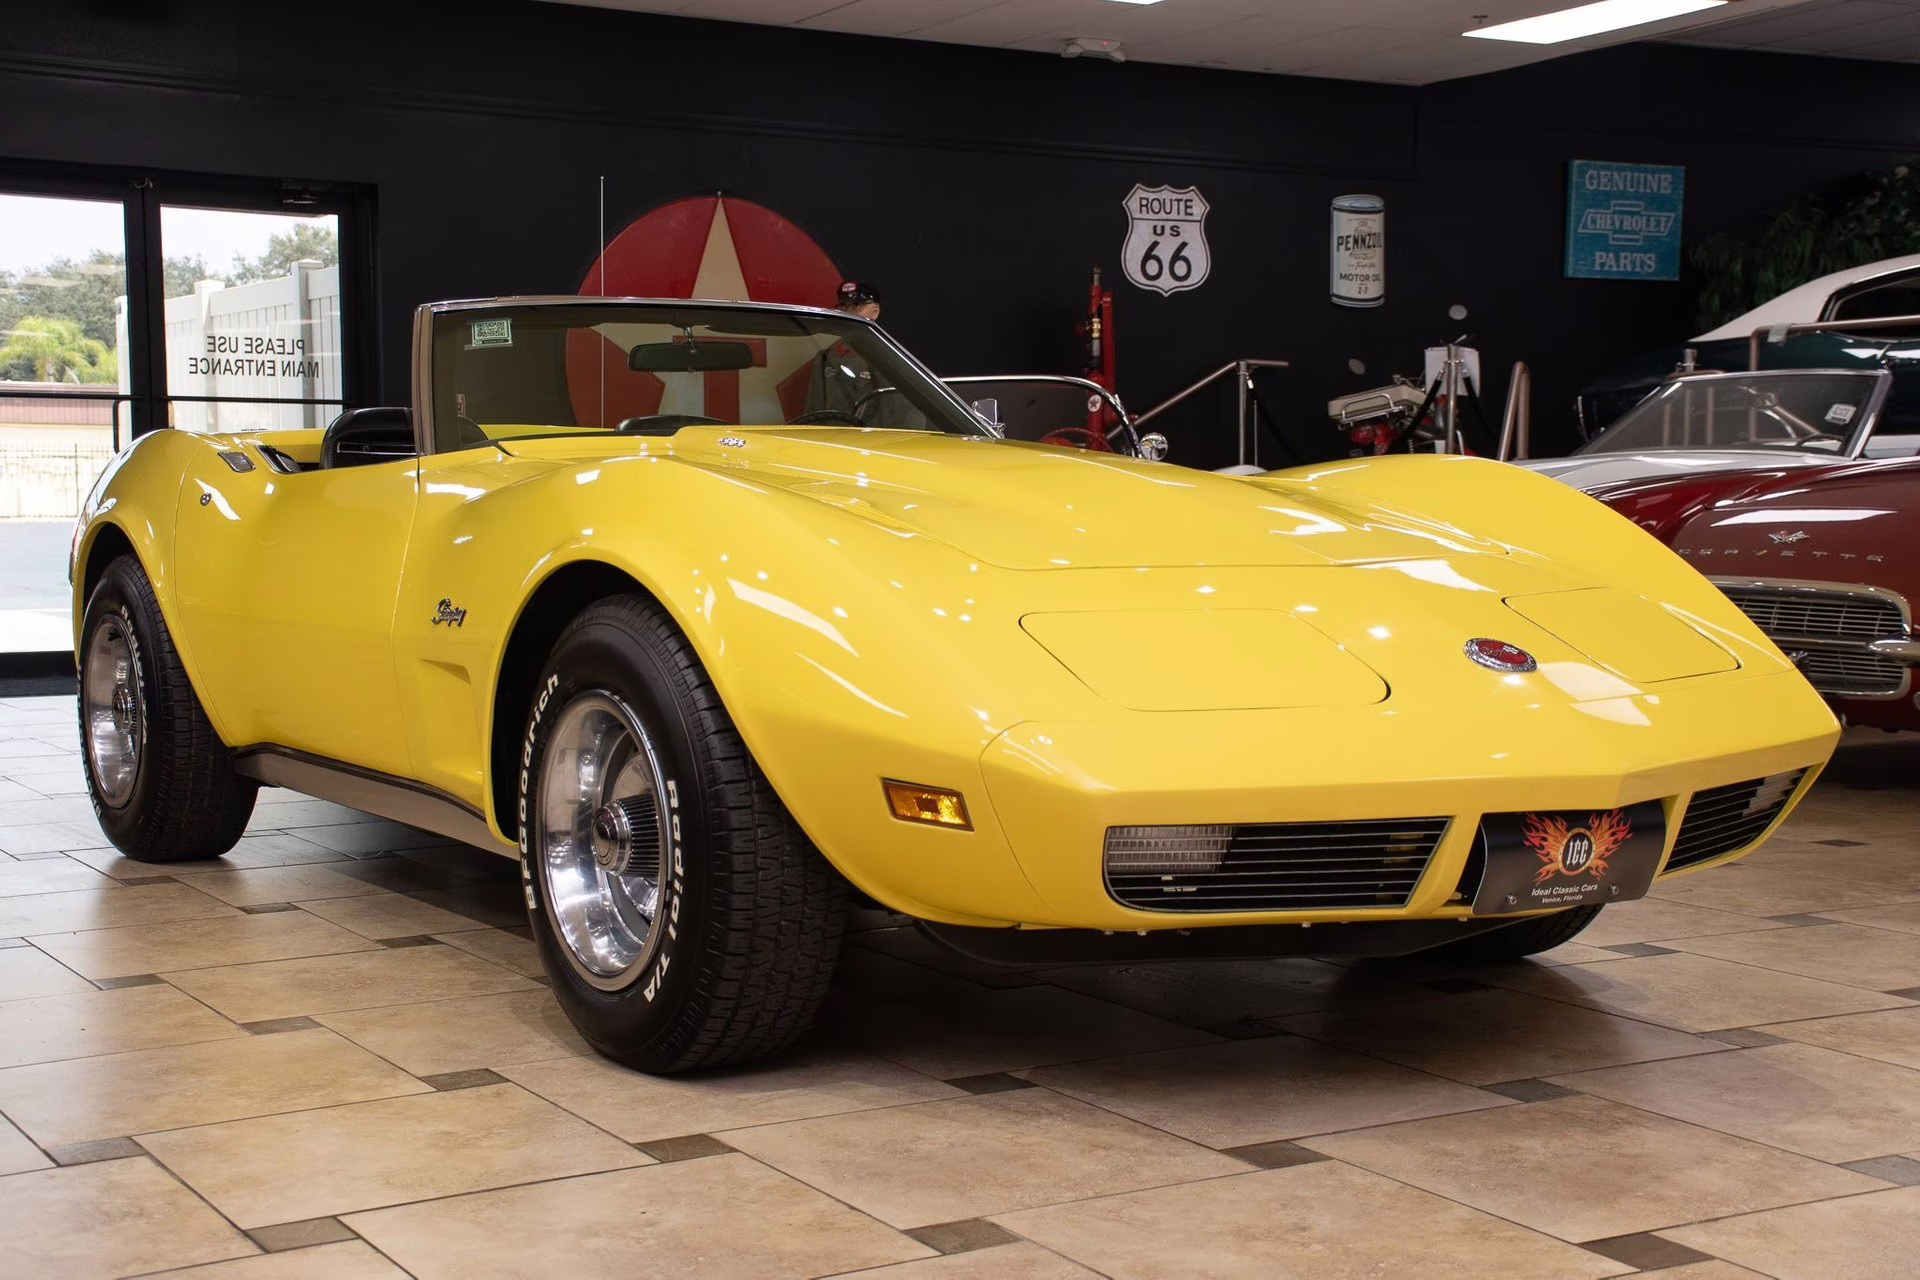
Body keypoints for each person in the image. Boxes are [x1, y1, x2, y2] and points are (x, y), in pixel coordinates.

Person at [806, 281, 885, 419]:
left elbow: (898, 413)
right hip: (831, 437)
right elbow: (814, 410)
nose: (848, 313)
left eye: (855, 306)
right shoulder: (826, 358)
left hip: (872, 437)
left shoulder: (888, 360)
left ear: (875, 311)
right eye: (844, 306)